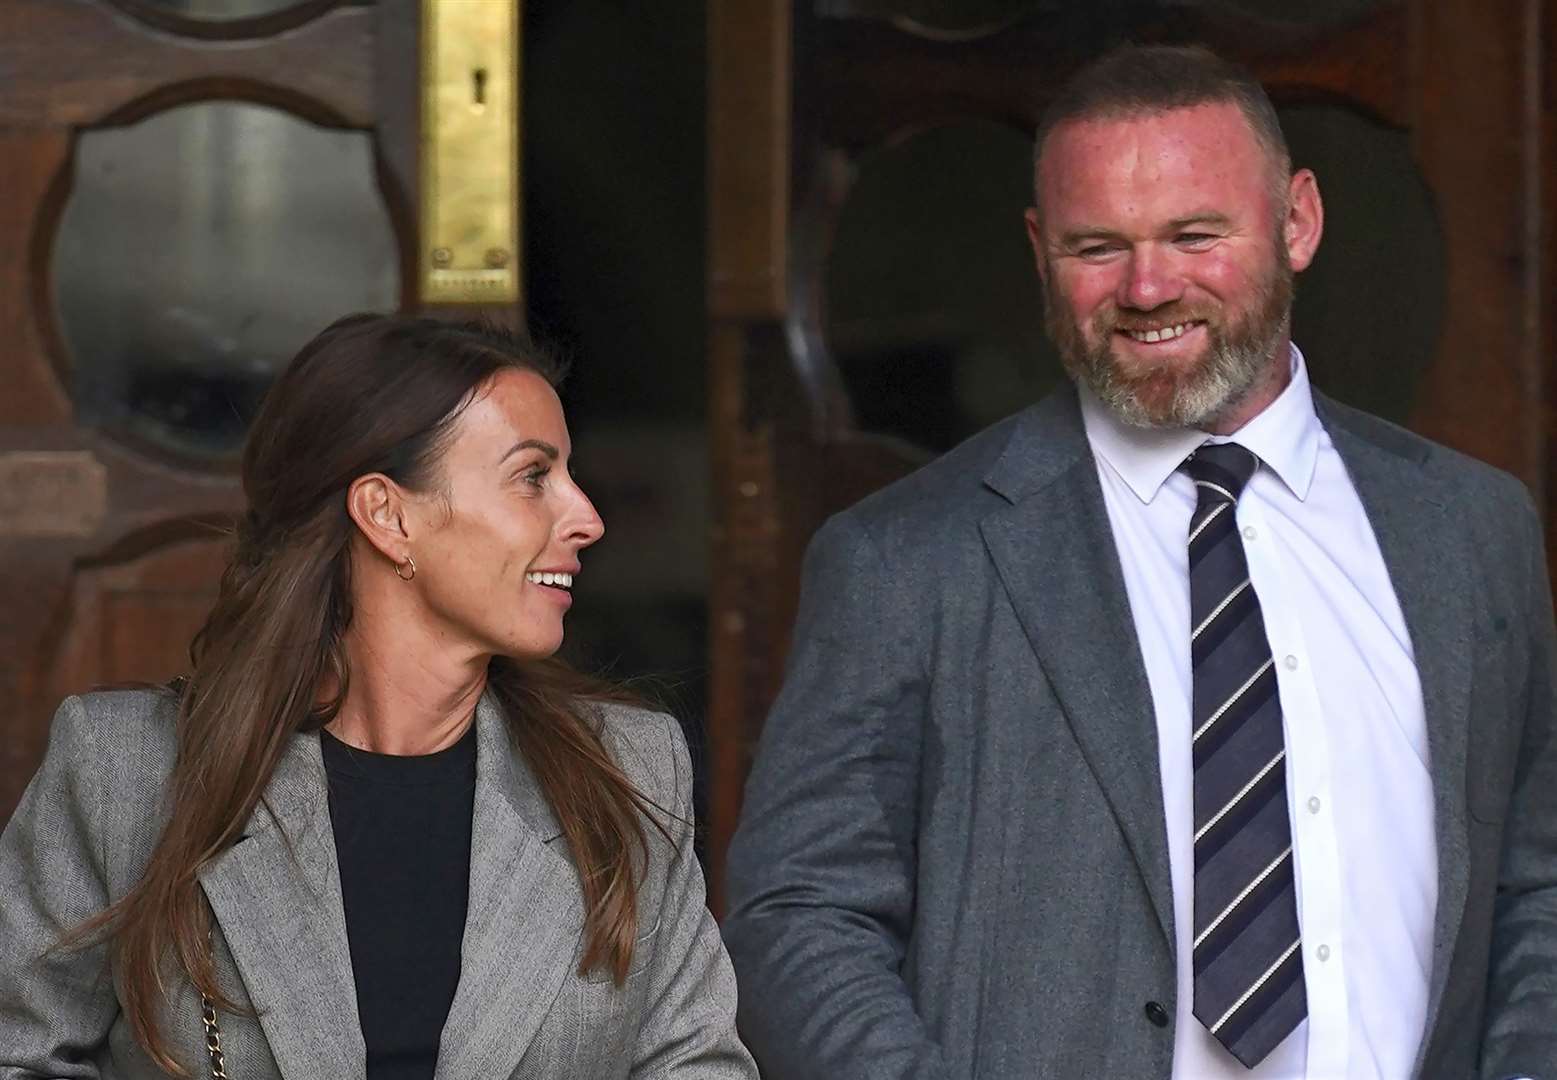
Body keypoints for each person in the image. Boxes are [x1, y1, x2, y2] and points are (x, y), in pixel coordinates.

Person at [722, 43, 1557, 1080]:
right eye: (1096, 247)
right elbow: (799, 909)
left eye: (1194, 234)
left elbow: (1537, 882)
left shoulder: (1472, 528)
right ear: (1039, 249)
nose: (1148, 285)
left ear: (1298, 222)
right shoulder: (905, 560)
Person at [0, 314, 757, 1079]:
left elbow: (695, 1063)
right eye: (534, 477)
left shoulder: (625, 768)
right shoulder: (124, 770)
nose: (586, 518)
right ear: (388, 515)